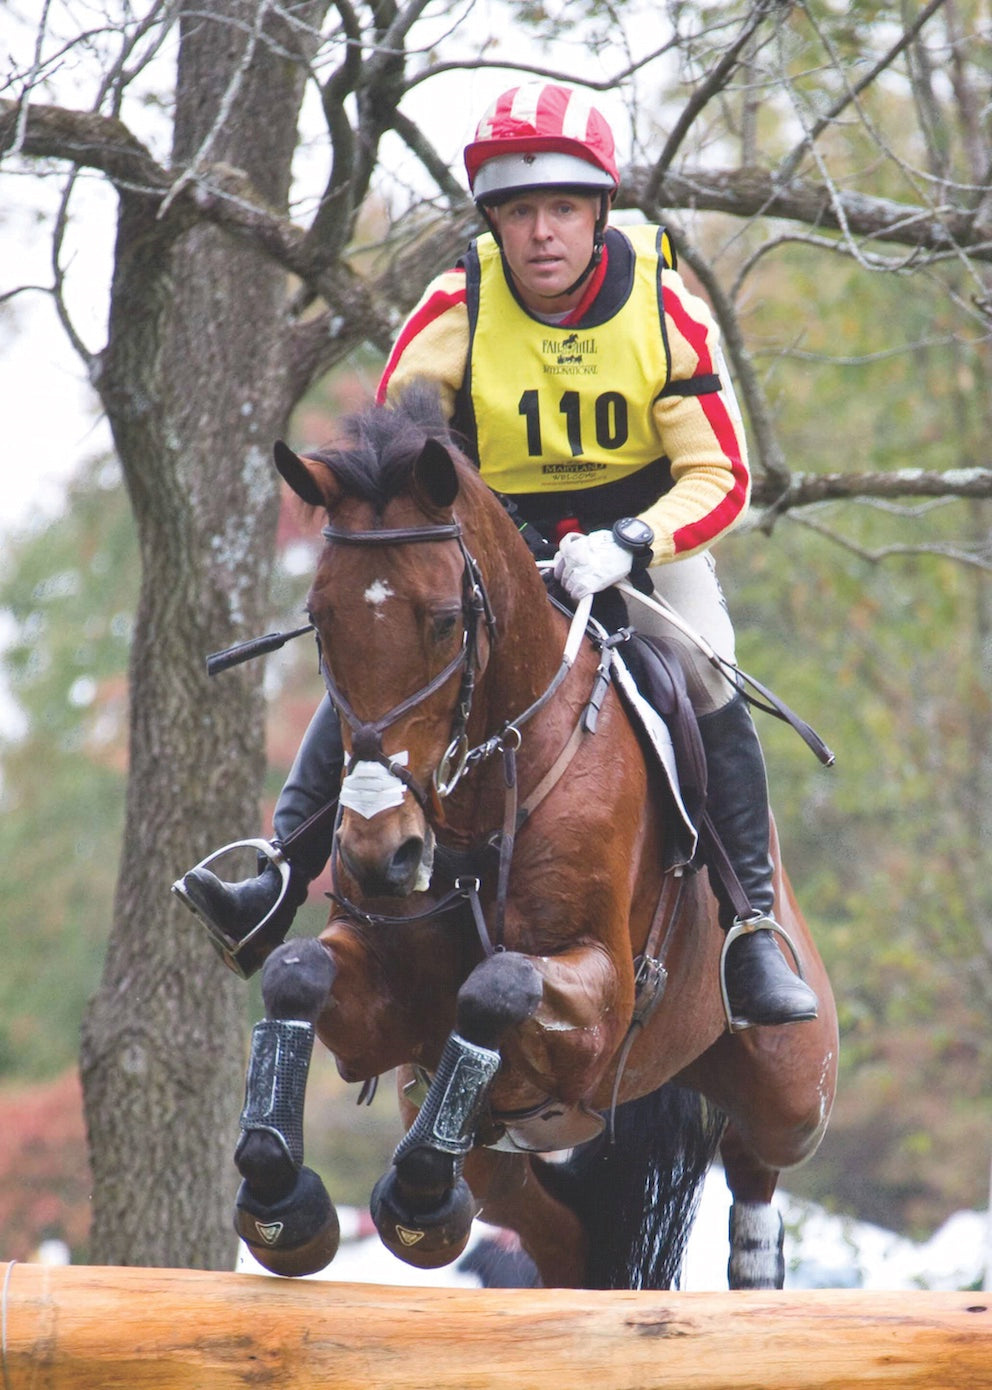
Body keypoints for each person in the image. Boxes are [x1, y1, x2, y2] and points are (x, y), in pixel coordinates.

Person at [175, 81, 817, 1028]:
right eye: (520, 212)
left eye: (563, 208)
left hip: (639, 539)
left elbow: (720, 473)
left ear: (599, 212)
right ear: (494, 222)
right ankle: (279, 871)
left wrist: (629, 543)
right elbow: (392, 459)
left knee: (707, 670)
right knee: (388, 656)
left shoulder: (661, 305)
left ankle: (750, 926)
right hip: (491, 541)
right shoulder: (454, 305)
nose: (543, 233)